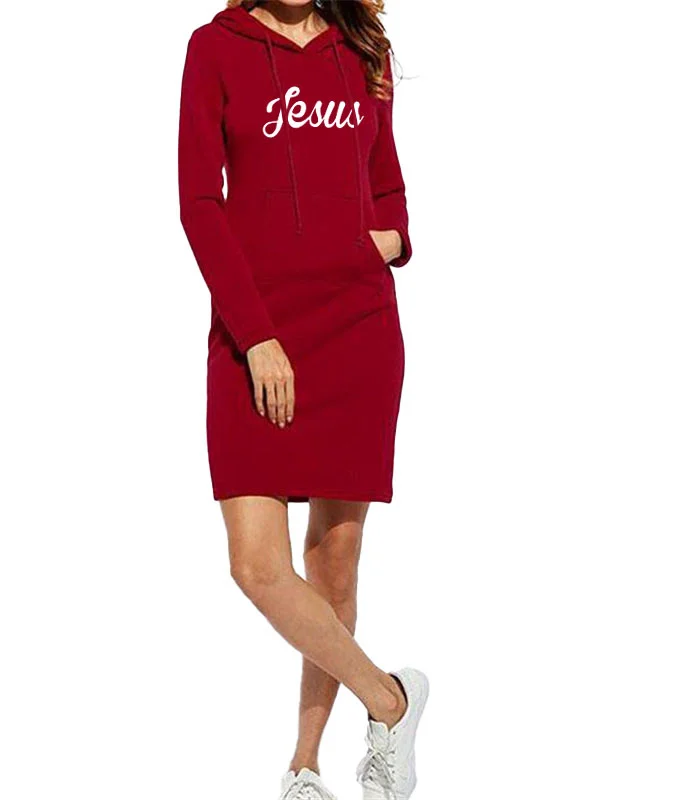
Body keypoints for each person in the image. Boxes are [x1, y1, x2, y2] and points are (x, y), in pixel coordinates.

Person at [178, 2, 428, 798]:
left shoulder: (361, 50)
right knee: (258, 566)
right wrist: (256, 336)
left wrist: (386, 238)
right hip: (253, 332)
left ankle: (306, 768)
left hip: (357, 331)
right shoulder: (214, 48)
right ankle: (391, 702)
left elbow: (387, 185)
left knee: (333, 563)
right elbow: (198, 202)